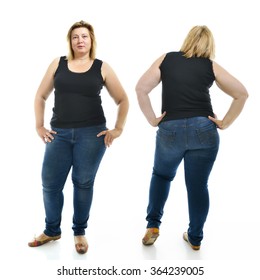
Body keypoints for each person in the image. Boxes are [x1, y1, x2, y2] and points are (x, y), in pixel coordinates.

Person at [135, 25, 248, 250]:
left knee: (161, 176)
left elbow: (141, 88)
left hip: (171, 129)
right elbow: (242, 93)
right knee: (198, 186)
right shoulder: (210, 65)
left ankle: (153, 225)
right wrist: (224, 122)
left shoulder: (166, 59)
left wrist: (152, 119)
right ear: (209, 45)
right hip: (203, 129)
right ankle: (195, 237)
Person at [28, 20, 129, 254]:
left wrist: (117, 129)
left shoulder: (102, 67)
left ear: (91, 40)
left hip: (92, 135)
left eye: (84, 36)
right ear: (70, 41)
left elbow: (123, 100)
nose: (80, 40)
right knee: (50, 184)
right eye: (75, 37)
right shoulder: (58, 64)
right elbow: (40, 96)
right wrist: (39, 126)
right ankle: (52, 229)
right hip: (59, 134)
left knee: (82, 183)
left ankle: (79, 231)